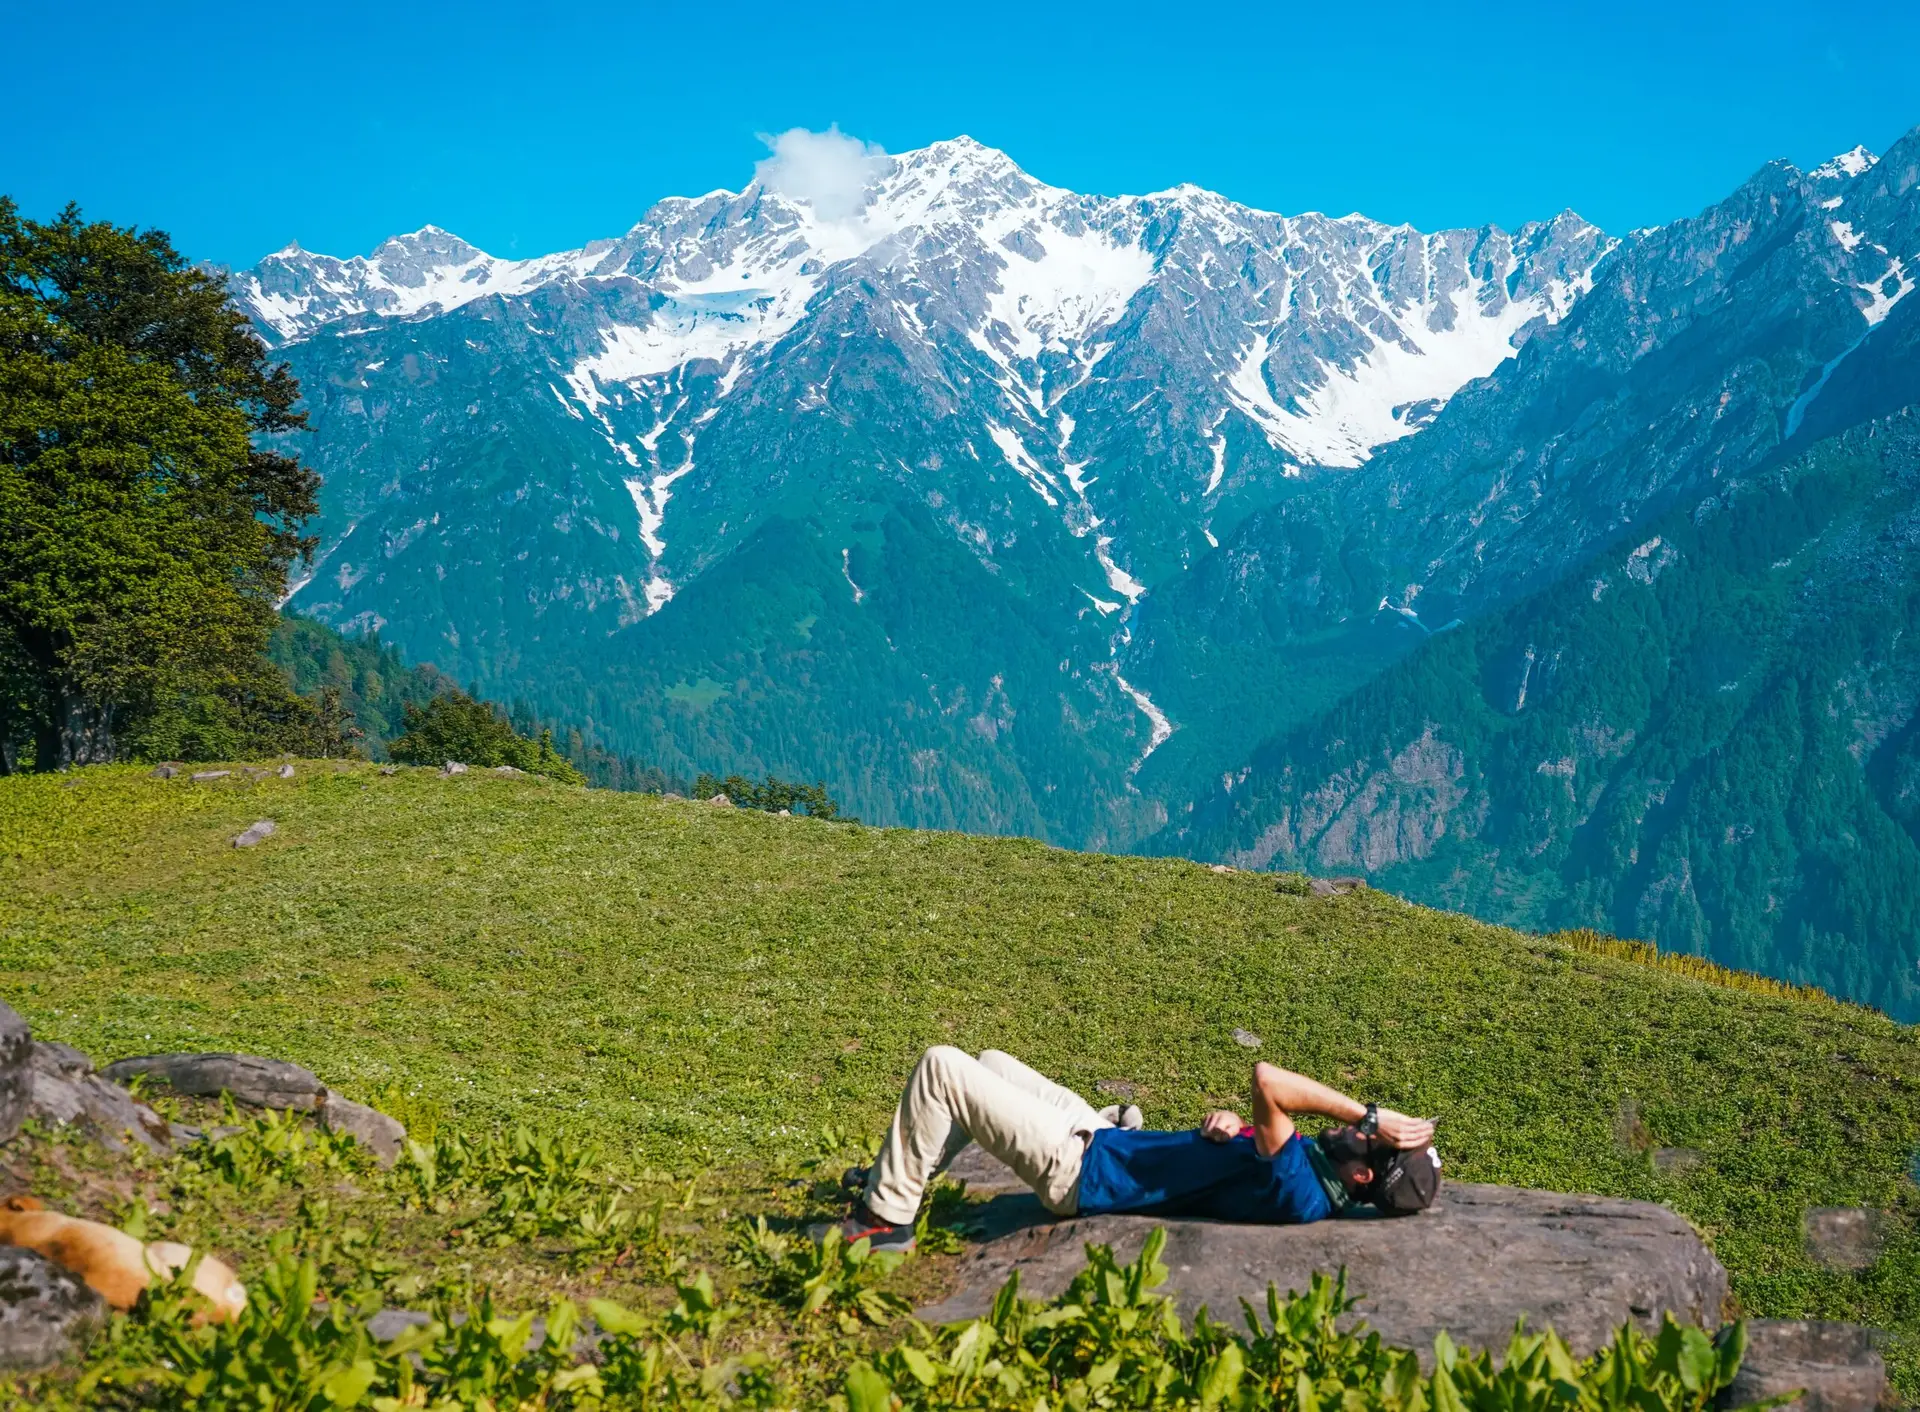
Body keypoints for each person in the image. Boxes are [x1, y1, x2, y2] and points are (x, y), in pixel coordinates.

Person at [833, 1046, 1440, 1252]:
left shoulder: (1304, 1191)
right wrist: (1229, 1129)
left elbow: (1268, 1079)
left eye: (1372, 1143)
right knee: (988, 1063)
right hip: (1104, 1136)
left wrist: (1371, 1112)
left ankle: (885, 1220)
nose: (1362, 1133)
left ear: (1362, 1177)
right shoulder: (1306, 1166)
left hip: (1080, 1172)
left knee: (943, 1068)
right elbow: (1259, 1121)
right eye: (1371, 1130)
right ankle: (900, 1173)